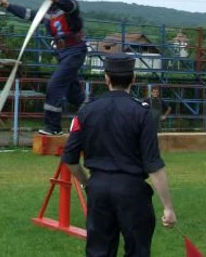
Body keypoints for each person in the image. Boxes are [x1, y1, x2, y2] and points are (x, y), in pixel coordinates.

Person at [61, 53, 177, 257]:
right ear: (133, 79)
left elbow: (70, 159)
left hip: (98, 188)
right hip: (132, 190)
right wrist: (167, 206)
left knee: (99, 251)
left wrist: (87, 183)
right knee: (137, 250)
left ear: (106, 78)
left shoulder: (87, 112)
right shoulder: (142, 114)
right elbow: (153, 165)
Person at [0, 0, 87, 136]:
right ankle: (93, 108)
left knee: (54, 85)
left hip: (74, 52)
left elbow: (70, 6)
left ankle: (53, 127)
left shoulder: (70, 6)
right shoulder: (49, 13)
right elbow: (29, 14)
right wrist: (8, 6)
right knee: (74, 94)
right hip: (62, 54)